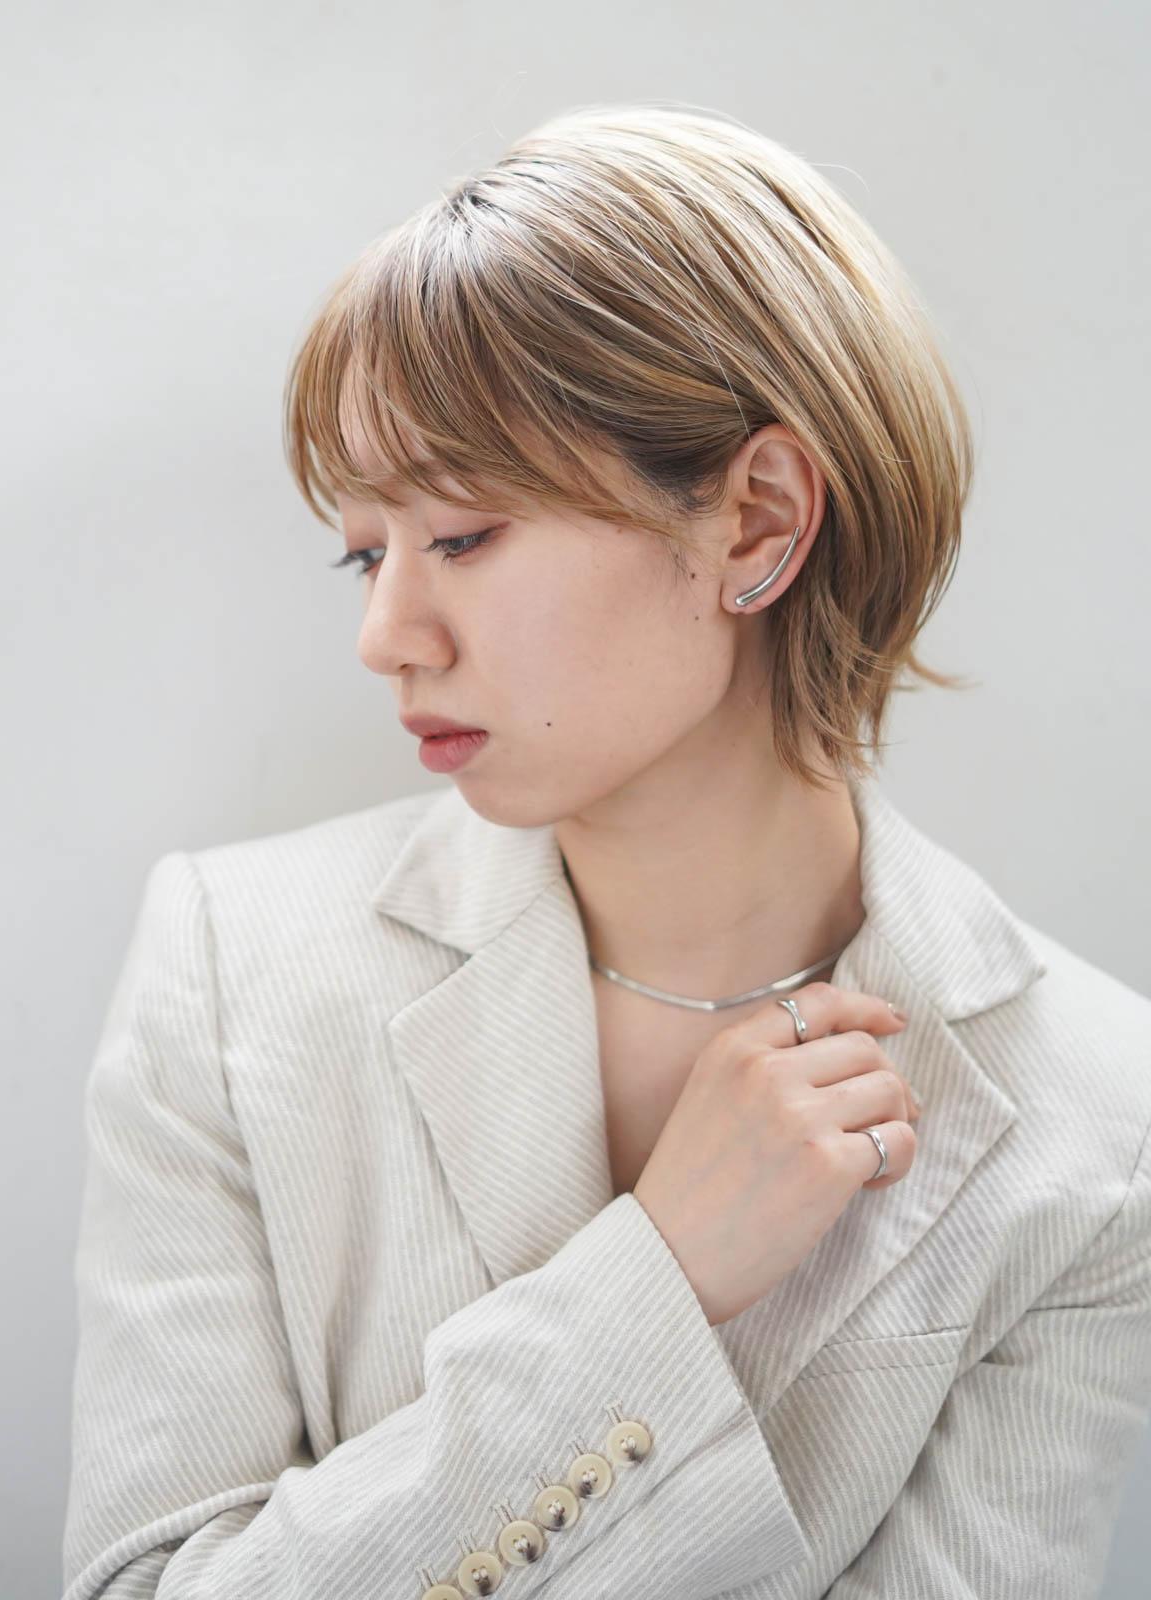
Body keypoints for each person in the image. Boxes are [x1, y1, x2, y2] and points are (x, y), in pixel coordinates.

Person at [62, 104, 1151, 1600]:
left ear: (755, 523)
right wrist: (660, 1284)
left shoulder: (1091, 1112)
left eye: (462, 536)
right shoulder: (232, 969)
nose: (385, 635)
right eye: (366, 551)